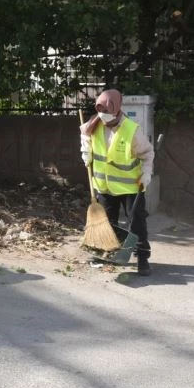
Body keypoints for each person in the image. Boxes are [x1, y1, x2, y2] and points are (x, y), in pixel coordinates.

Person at [80, 89, 155, 276]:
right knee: (107, 223)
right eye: (100, 112)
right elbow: (85, 138)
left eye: (106, 113)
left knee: (137, 224)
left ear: (116, 109)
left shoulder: (131, 130)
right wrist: (85, 151)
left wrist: (146, 175)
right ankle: (106, 252)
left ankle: (143, 258)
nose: (102, 117)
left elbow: (147, 154)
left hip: (130, 187)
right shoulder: (93, 125)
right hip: (104, 186)